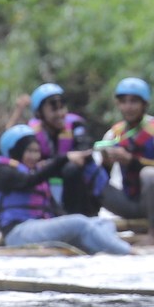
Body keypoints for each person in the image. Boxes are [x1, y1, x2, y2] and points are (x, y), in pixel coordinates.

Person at [0, 127, 133, 255]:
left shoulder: (33, 172)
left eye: (36, 151)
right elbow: (28, 181)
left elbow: (54, 208)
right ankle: (127, 253)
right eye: (29, 151)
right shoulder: (0, 171)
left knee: (103, 223)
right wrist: (64, 158)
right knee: (79, 222)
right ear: (14, 151)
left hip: (39, 227)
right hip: (18, 233)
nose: (34, 156)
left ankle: (100, 250)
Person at [96, 77, 154, 236]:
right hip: (130, 202)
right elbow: (103, 176)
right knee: (92, 178)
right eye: (124, 102)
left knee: (149, 174)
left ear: (145, 104)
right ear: (118, 104)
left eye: (134, 102)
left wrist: (132, 161)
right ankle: (88, 227)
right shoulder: (113, 134)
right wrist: (106, 161)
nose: (128, 107)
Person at [27, 83, 99, 216]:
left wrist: (51, 163)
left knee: (71, 168)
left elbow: (84, 152)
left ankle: (79, 216)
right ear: (39, 114)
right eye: (54, 110)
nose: (60, 114)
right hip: (48, 186)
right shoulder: (31, 133)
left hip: (79, 190)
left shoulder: (76, 125)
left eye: (62, 108)